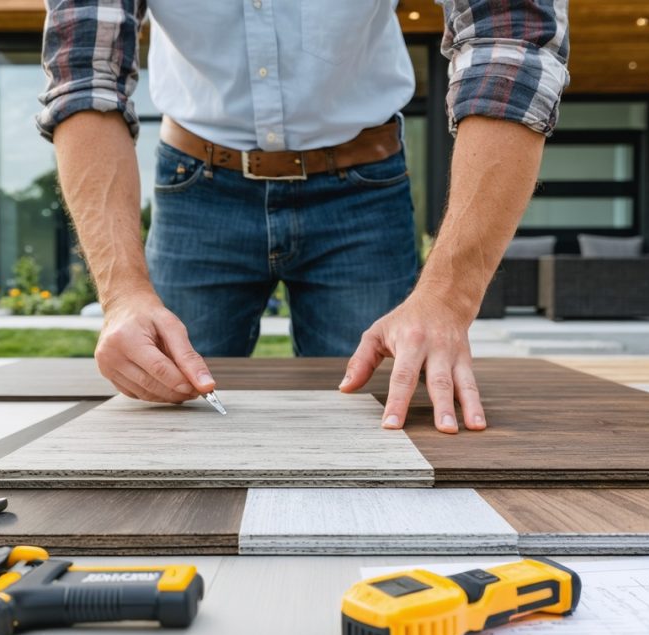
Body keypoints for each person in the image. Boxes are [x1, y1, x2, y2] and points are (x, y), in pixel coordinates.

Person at [38, 0, 569, 433]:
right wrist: (121, 295)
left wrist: (448, 300)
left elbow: (510, 48)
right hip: (195, 185)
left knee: (386, 425)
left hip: (363, 188)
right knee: (160, 411)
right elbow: (85, 77)